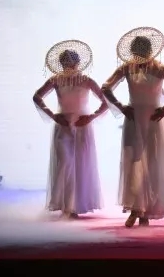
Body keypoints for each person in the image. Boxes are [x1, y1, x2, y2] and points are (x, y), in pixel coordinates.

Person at [101, 27, 164, 228]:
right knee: (134, 162)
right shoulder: (127, 68)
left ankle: (146, 210)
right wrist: (121, 107)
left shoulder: (159, 68)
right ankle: (136, 208)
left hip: (153, 120)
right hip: (134, 118)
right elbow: (105, 87)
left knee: (153, 163)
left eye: (142, 50)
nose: (140, 54)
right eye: (138, 50)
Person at [32, 40, 108, 219]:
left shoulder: (87, 81)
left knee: (80, 164)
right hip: (63, 126)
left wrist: (91, 116)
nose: (68, 65)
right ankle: (66, 205)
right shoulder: (56, 80)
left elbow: (106, 102)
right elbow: (37, 97)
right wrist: (53, 115)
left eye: (71, 62)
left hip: (82, 126)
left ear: (78, 63)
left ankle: (74, 206)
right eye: (65, 62)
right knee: (65, 163)